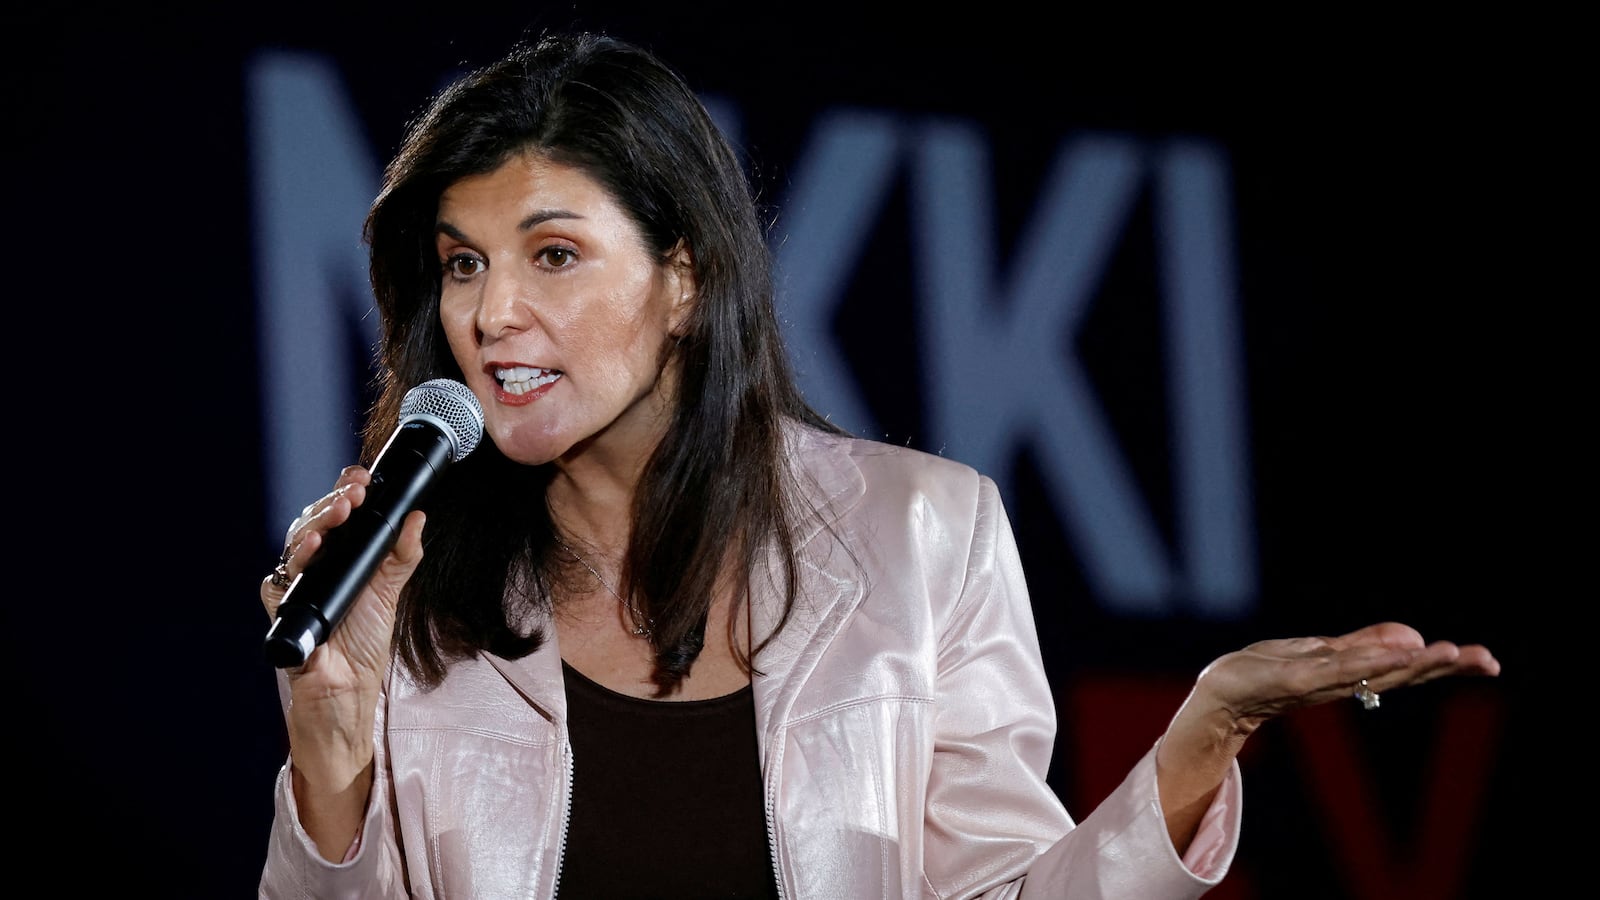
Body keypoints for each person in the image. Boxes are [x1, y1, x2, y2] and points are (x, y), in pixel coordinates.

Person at [255, 30, 1501, 899]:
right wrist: (330, 739)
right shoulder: (399, 584)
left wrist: (1206, 727)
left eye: (554, 256)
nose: (489, 315)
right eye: (463, 262)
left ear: (683, 277)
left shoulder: (924, 534)